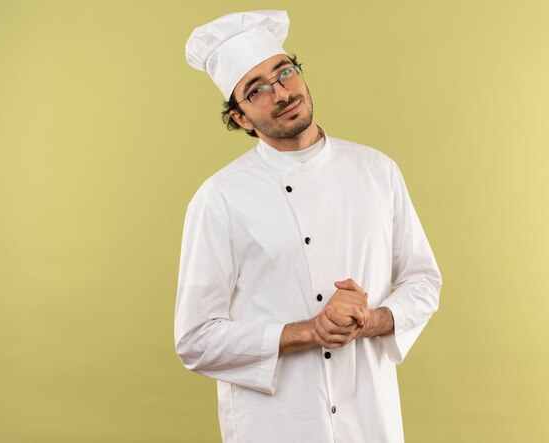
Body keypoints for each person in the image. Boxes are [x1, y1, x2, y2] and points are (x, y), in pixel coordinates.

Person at [175, 10, 442, 443]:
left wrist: (370, 320)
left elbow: (423, 280)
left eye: (284, 72)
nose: (280, 92)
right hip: (275, 425)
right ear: (240, 118)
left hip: (368, 420)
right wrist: (309, 331)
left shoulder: (378, 170)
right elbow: (195, 339)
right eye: (256, 90)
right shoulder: (220, 198)